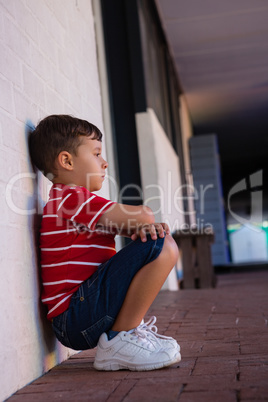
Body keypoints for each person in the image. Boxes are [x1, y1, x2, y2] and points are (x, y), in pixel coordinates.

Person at [29, 114, 181, 371]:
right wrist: (143, 228)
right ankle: (118, 341)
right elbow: (143, 215)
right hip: (74, 318)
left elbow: (132, 224)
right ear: (66, 161)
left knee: (156, 242)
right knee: (162, 245)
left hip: (78, 317)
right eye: (97, 154)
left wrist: (140, 230)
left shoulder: (68, 202)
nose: (105, 163)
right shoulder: (71, 198)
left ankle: (125, 336)